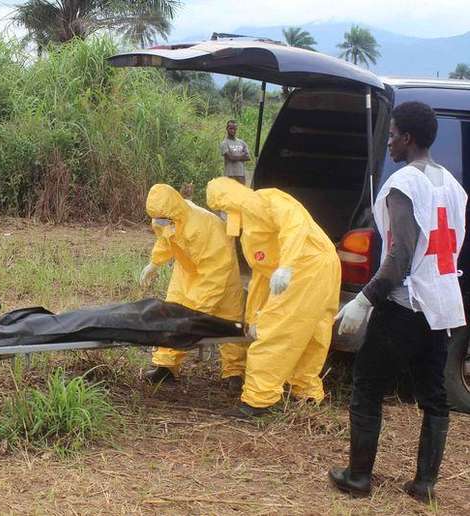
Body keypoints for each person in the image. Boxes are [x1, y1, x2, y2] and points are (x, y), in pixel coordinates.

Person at [330, 102, 466, 503]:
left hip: (405, 305)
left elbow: (400, 257)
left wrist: (364, 301)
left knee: (368, 385)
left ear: (407, 138)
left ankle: (358, 477)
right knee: (434, 396)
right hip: (441, 307)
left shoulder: (405, 184)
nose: (388, 142)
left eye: (391, 135)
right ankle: (424, 485)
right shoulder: (454, 187)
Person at [206, 177, 341, 418]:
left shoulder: (269, 199)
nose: (224, 216)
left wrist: (287, 266)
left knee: (277, 331)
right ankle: (305, 391)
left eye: (222, 209)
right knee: (313, 331)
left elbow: (295, 225)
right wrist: (254, 316)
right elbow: (260, 276)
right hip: (319, 265)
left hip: (305, 267)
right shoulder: (248, 230)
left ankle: (258, 401)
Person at [139, 184, 244, 384]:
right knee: (172, 315)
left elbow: (215, 275)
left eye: (164, 219)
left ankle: (234, 372)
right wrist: (154, 263)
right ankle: (166, 366)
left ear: (174, 213)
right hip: (187, 272)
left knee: (228, 320)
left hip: (221, 273)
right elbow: (165, 240)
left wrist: (196, 309)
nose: (161, 223)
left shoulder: (202, 227)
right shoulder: (165, 217)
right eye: (158, 219)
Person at [219, 120, 250, 185]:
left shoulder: (242, 142)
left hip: (241, 174)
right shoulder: (224, 143)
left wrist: (234, 157)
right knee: (230, 194)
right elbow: (230, 157)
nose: (233, 130)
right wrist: (242, 156)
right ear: (227, 128)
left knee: (242, 193)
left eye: (235, 129)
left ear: (236, 129)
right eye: (231, 128)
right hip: (230, 175)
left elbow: (248, 157)